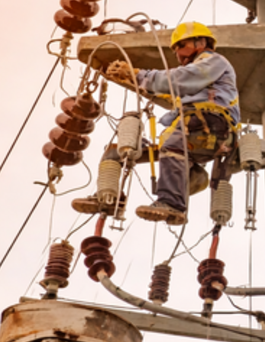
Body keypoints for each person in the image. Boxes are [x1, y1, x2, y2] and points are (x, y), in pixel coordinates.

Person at [72, 21, 239, 226]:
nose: (178, 53)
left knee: (174, 144)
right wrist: (130, 78)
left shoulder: (212, 61)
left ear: (201, 42)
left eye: (182, 46)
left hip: (212, 128)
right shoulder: (196, 84)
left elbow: (179, 79)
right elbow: (167, 89)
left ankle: (173, 205)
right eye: (176, 49)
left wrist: (139, 75)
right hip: (192, 132)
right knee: (116, 152)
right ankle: (108, 199)